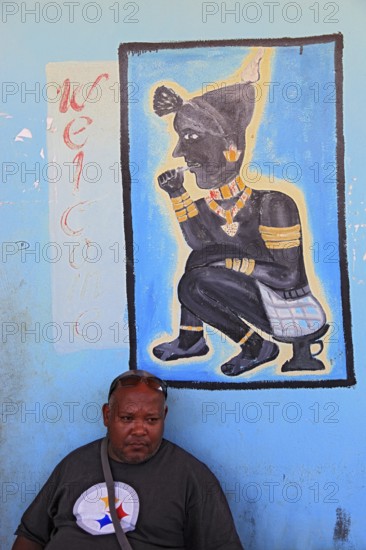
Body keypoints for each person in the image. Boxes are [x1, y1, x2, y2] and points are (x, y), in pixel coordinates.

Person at [152, 51, 326, 376]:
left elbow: (288, 277)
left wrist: (232, 265)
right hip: (249, 293)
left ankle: (257, 346)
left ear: (230, 147)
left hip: (284, 306)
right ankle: (191, 339)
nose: (178, 151)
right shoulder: (208, 206)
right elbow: (198, 244)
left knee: (198, 277)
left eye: (190, 137)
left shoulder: (273, 204)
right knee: (198, 264)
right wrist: (178, 194)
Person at [12, 370, 244, 549]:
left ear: (164, 417)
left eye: (151, 420)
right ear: (107, 415)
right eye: (127, 418)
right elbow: (31, 535)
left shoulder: (192, 477)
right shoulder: (74, 465)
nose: (139, 430)